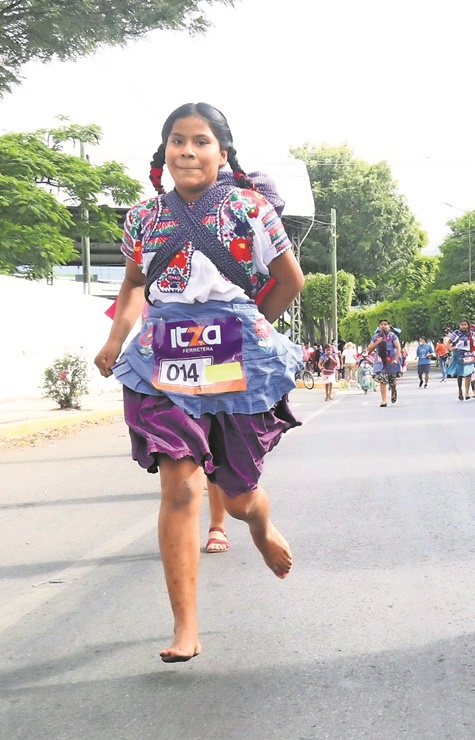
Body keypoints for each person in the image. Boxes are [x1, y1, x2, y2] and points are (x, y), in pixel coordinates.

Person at [92, 102, 303, 663]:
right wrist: (118, 337)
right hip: (162, 358)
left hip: (232, 352)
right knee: (180, 483)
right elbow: (136, 282)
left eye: (202, 141)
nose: (188, 150)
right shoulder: (142, 217)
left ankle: (258, 524)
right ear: (164, 152)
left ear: (223, 153)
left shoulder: (250, 209)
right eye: (178, 141)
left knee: (235, 500)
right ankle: (185, 627)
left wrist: (252, 329)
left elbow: (289, 280)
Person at [364, 319, 402, 407]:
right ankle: (384, 400)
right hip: (381, 363)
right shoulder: (376, 337)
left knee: (392, 381)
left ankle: (393, 390)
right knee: (382, 380)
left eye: (385, 324)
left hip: (391, 362)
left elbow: (398, 348)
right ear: (379, 326)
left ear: (389, 326)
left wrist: (396, 359)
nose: (383, 326)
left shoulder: (392, 336)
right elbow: (369, 350)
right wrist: (378, 341)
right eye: (382, 324)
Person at [445, 320, 475, 401]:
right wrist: (451, 348)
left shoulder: (472, 333)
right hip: (459, 353)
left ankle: (467, 392)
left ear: (468, 325)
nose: (464, 326)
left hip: (468, 354)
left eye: (465, 324)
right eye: (462, 324)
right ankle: (460, 390)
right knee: (460, 373)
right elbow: (448, 343)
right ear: (459, 325)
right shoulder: (456, 333)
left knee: (468, 373)